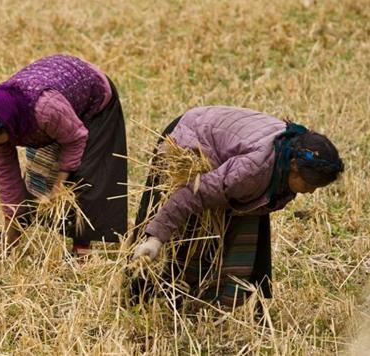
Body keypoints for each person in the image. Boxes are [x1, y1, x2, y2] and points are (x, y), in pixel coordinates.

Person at [132, 106, 344, 308]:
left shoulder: (290, 152)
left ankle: (214, 295)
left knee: (239, 222)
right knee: (181, 227)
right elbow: (191, 194)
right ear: (294, 167)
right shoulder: (251, 172)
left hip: (223, 140)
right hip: (187, 136)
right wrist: (155, 239)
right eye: (309, 185)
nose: (310, 192)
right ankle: (139, 294)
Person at [0, 54, 127, 256]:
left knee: (85, 176)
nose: (0, 145)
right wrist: (10, 230)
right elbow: (6, 176)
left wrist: (59, 186)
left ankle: (82, 249)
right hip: (57, 107)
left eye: (3, 139)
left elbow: (76, 139)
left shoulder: (45, 111)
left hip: (94, 100)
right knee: (40, 174)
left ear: (10, 126)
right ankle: (19, 234)